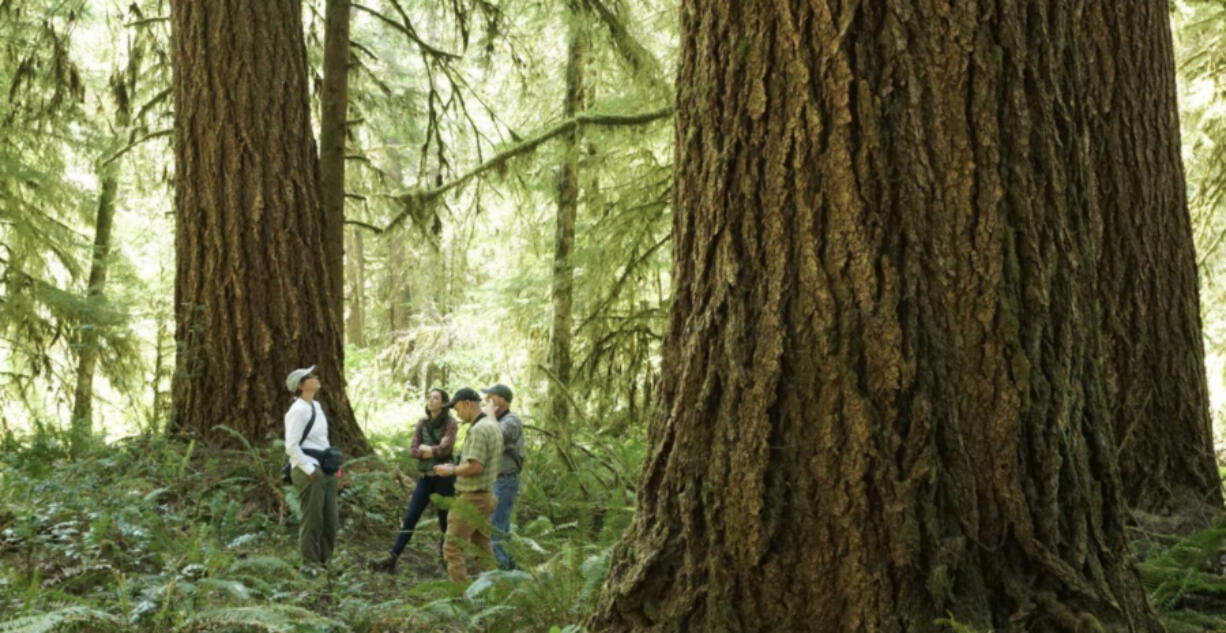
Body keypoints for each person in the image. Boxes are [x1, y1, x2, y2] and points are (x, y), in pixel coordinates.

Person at [370, 388, 458, 573]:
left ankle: (444, 561)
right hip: (425, 478)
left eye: (435, 398)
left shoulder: (450, 423)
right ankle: (392, 557)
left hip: (444, 479)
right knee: (410, 517)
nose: (431, 400)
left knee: (444, 520)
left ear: (443, 403)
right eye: (429, 397)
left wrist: (428, 450)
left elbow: (445, 450)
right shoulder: (422, 423)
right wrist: (429, 450)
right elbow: (413, 450)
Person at [432, 387, 502, 582]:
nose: (456, 413)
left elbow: (476, 466)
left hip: (472, 498)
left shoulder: (480, 430)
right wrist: (455, 466)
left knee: (452, 547)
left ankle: (459, 596)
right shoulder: (492, 425)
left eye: (457, 408)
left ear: (467, 404)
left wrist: (451, 470)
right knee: (482, 547)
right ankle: (497, 590)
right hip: (486, 496)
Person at [284, 365, 339, 568]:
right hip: (307, 470)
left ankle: (326, 563)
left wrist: (332, 466)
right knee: (312, 520)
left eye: (315, 374)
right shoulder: (297, 410)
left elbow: (322, 441)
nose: (315, 378)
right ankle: (310, 566)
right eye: (309, 377)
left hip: (325, 469)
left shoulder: (316, 406)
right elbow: (291, 446)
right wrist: (310, 470)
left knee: (330, 520)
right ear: (300, 385)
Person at [481, 383, 524, 570]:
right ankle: (509, 568)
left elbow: (498, 435)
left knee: (496, 527)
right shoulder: (493, 419)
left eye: (492, 397)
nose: (487, 401)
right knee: (498, 526)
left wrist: (489, 415)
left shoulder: (512, 420)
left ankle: (502, 571)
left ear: (504, 401)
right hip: (493, 480)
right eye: (486, 397)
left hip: (505, 480)